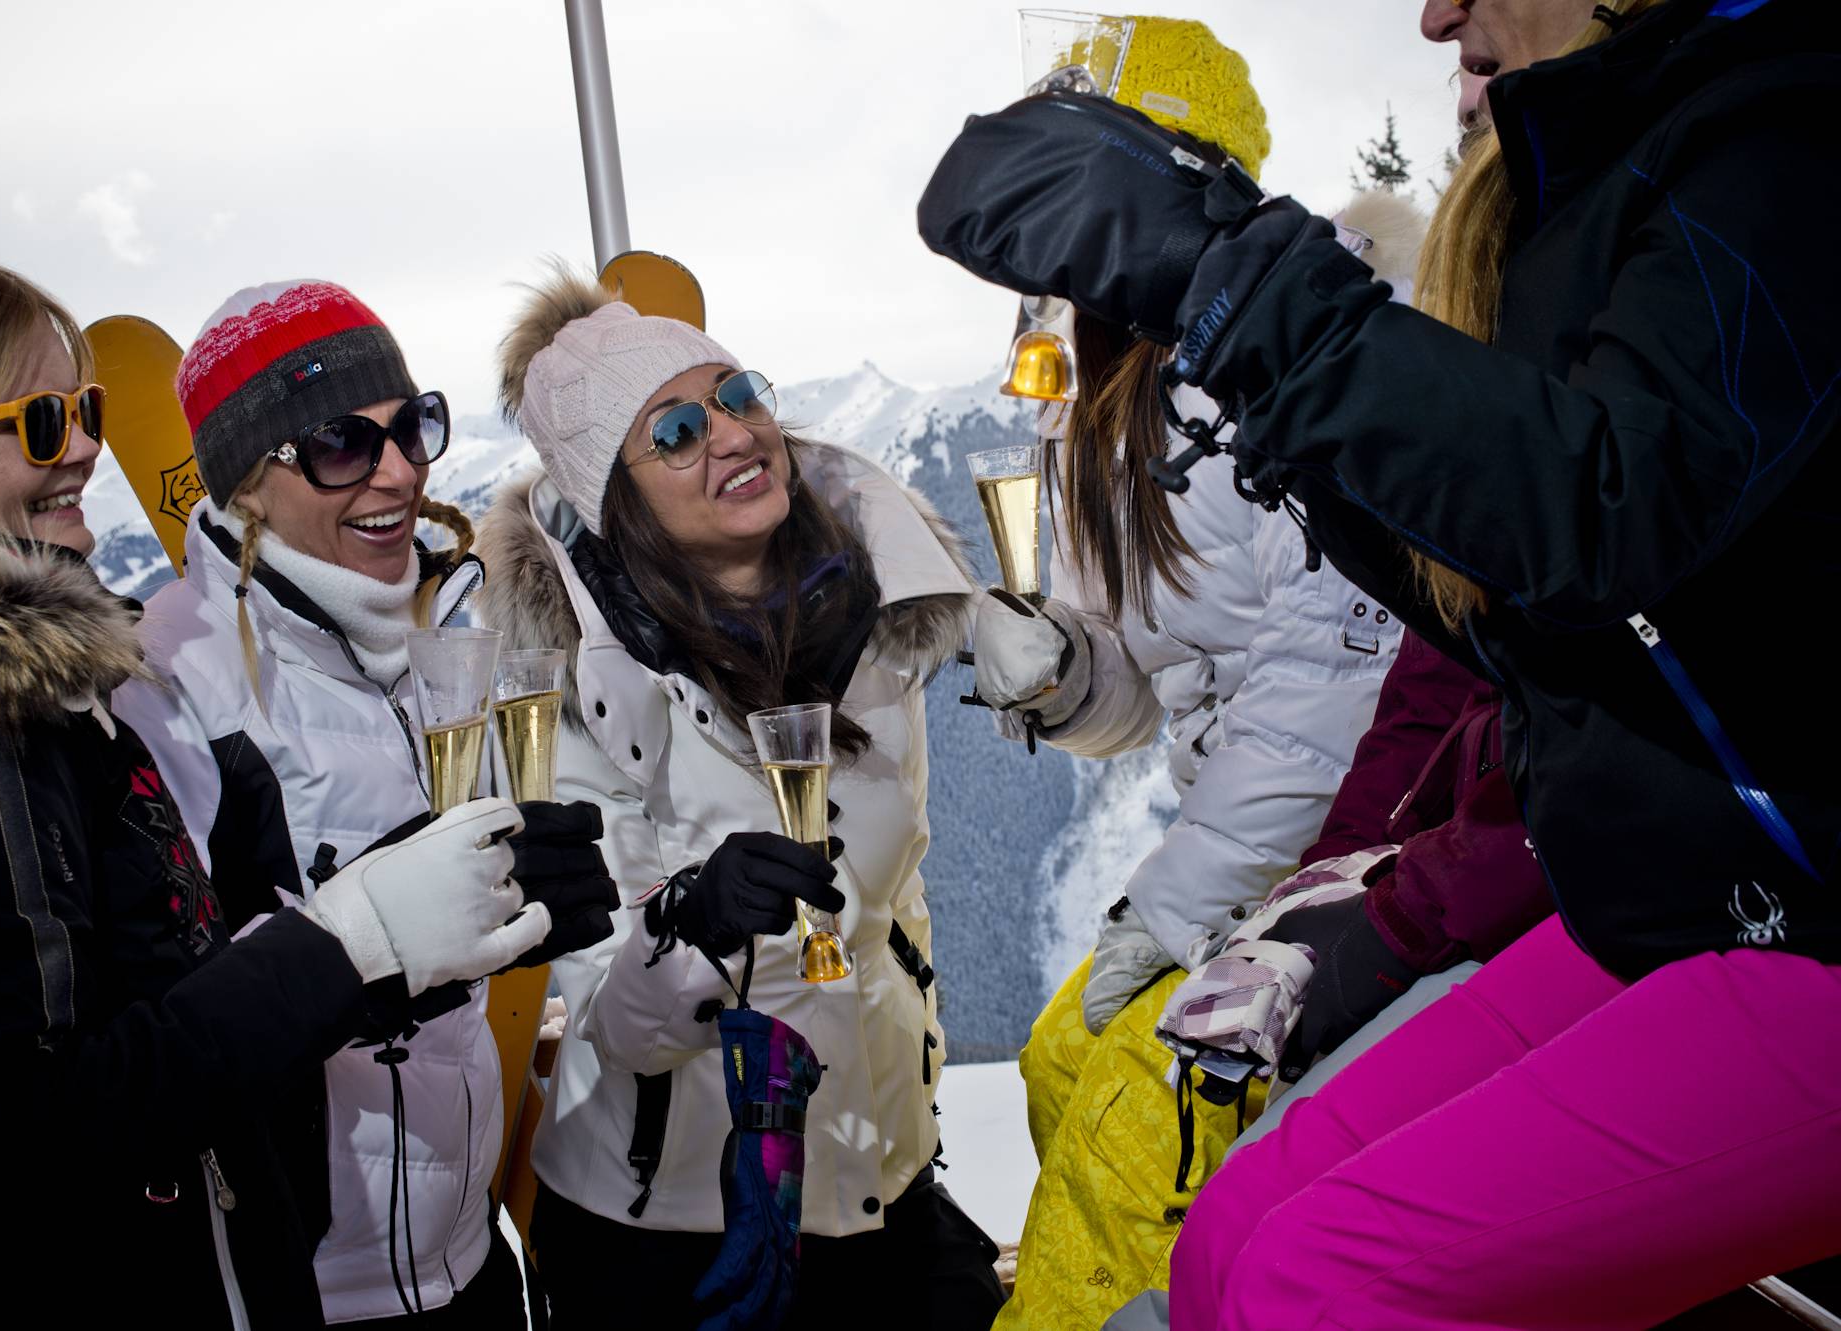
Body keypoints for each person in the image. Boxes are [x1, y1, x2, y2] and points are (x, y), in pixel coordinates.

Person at [916, 0, 1841, 1323]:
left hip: (1791, 910)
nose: (1431, 14)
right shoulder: (1587, 194)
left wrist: (1247, 297)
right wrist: (1068, 666)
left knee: (1296, 1265)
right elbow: (1502, 619)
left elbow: (1592, 527)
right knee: (1229, 1229)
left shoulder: (1785, 127)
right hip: (1661, 898)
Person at [0, 257, 542, 1329]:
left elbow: (160, 992)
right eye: (43, 423)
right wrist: (349, 939)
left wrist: (454, 925)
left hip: (311, 1263)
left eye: (88, 410)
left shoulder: (52, 699)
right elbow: (5, 1146)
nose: (86, 446)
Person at [966, 23, 1410, 1328]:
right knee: (1059, 1060)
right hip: (1254, 853)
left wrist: (1170, 911)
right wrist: (1065, 676)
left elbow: (1325, 691)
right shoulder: (1119, 388)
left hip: (1354, 847)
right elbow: (1152, 685)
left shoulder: (1296, 365)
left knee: (1127, 1140)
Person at [471, 267, 1002, 1329]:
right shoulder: (569, 690)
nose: (729, 433)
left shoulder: (868, 611)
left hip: (878, 1183)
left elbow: (894, 903)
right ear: (614, 500)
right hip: (669, 1229)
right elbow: (613, 1023)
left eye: (737, 393)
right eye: (674, 430)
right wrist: (693, 924)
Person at [113, 279, 615, 1326]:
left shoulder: (445, 622)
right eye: (341, 443)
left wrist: (517, 905)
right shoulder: (168, 679)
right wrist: (383, 954)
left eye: (411, 426)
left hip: (467, 1258)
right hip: (307, 1292)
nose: (397, 470)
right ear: (248, 483)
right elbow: (162, 1020)